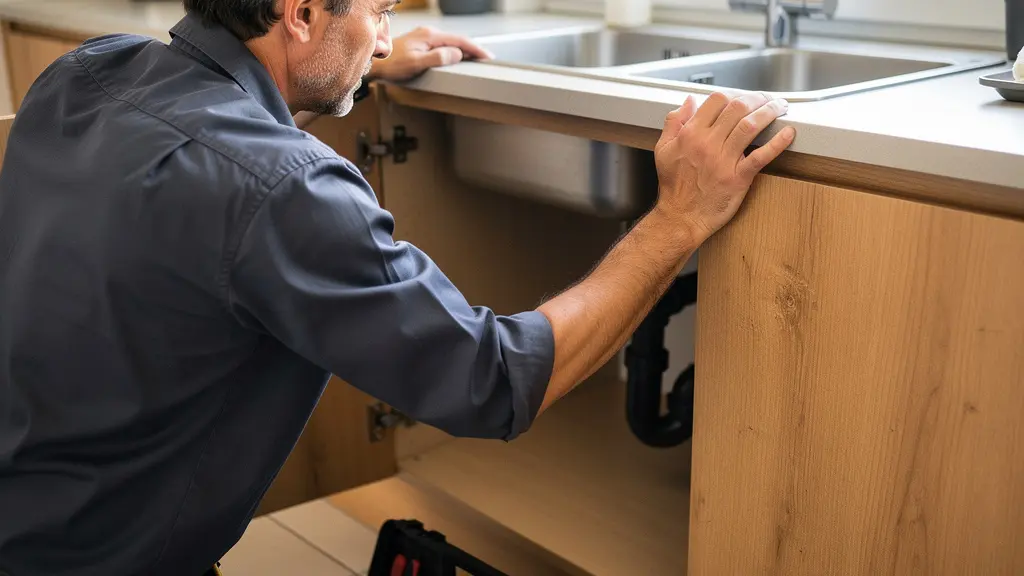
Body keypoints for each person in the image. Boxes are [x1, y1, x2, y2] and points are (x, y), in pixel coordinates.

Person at [0, 0, 795, 573]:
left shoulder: (86, 71)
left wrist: (349, 65)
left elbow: (222, 139)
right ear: (302, 14)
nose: (387, 31)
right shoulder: (285, 188)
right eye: (379, 9)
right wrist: (680, 217)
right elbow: (496, 379)